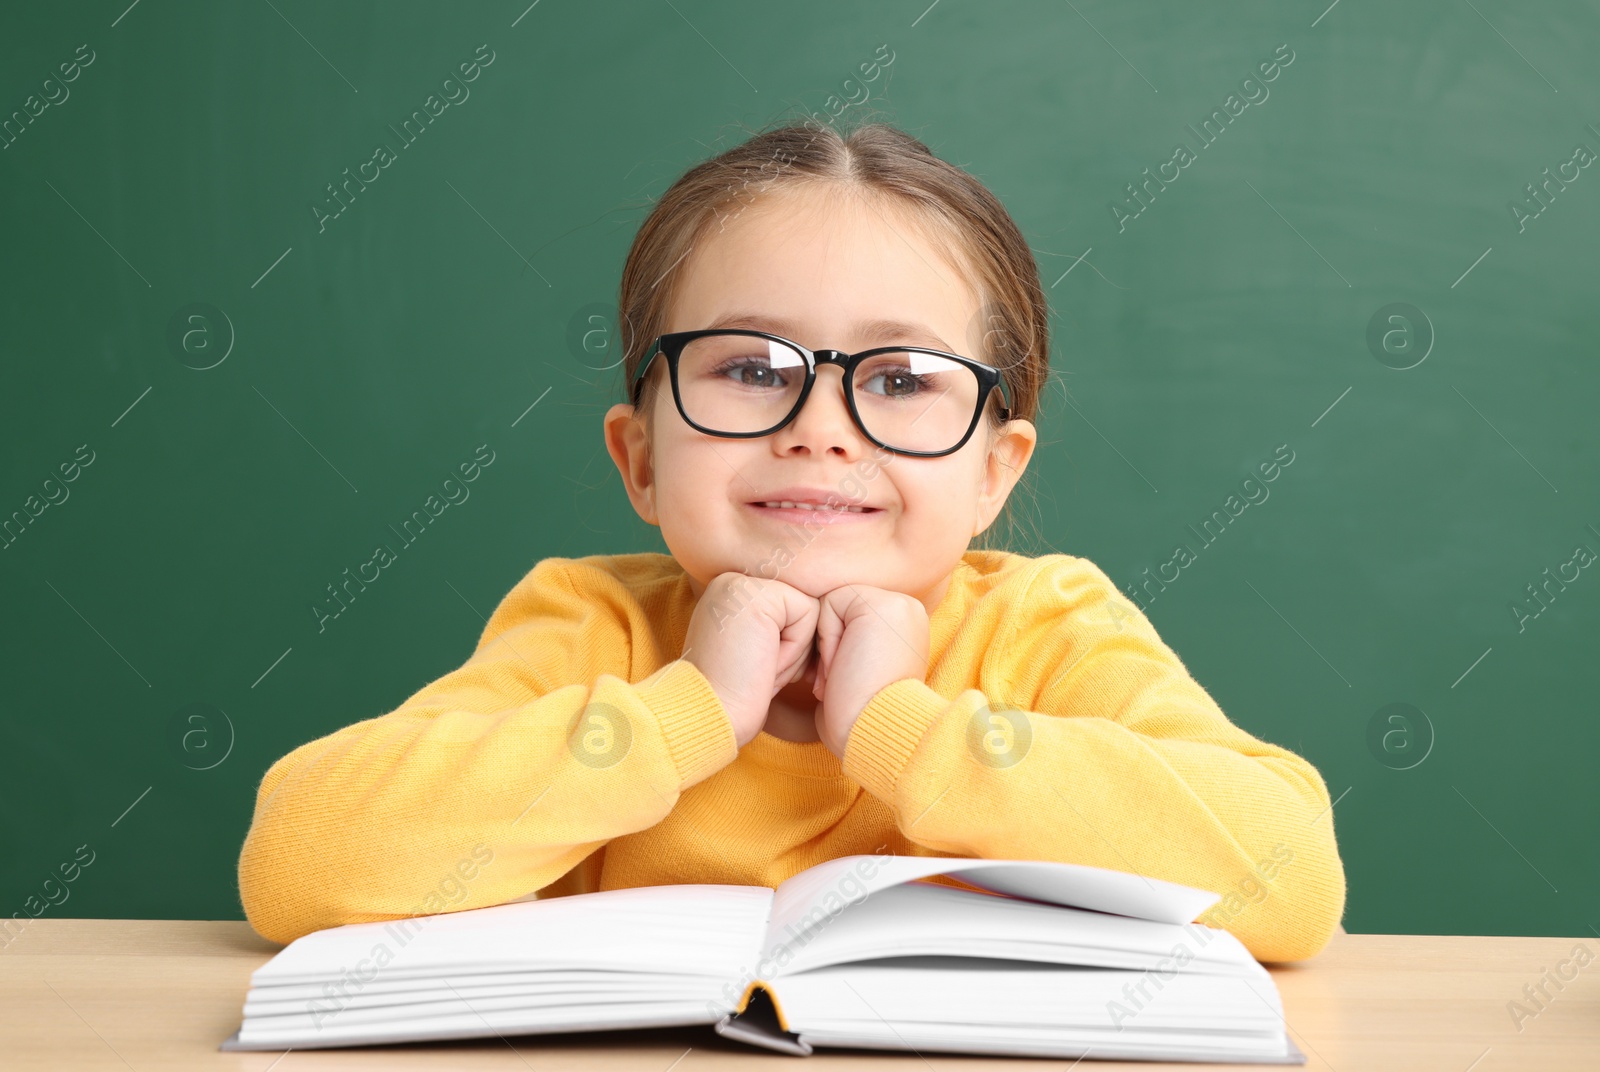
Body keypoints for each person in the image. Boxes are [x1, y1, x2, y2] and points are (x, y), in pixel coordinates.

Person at [237, 121, 1345, 962]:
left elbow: (1288, 877)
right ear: (640, 460)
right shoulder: (593, 627)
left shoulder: (1047, 630)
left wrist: (901, 732)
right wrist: (685, 719)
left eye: (902, 380)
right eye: (751, 368)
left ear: (991, 473)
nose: (818, 430)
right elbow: (297, 860)